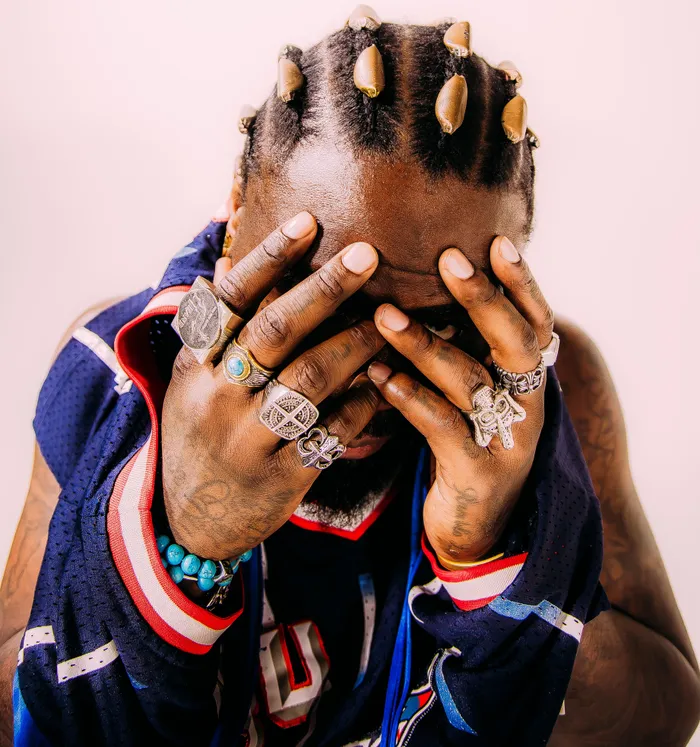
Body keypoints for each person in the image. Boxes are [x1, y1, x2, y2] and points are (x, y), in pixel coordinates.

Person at [2, 9, 699, 746]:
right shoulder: (111, 366)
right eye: (317, 305)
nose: (363, 379)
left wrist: (494, 557)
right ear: (235, 216)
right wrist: (182, 535)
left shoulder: (552, 391)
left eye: (437, 327)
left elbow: (667, 708)